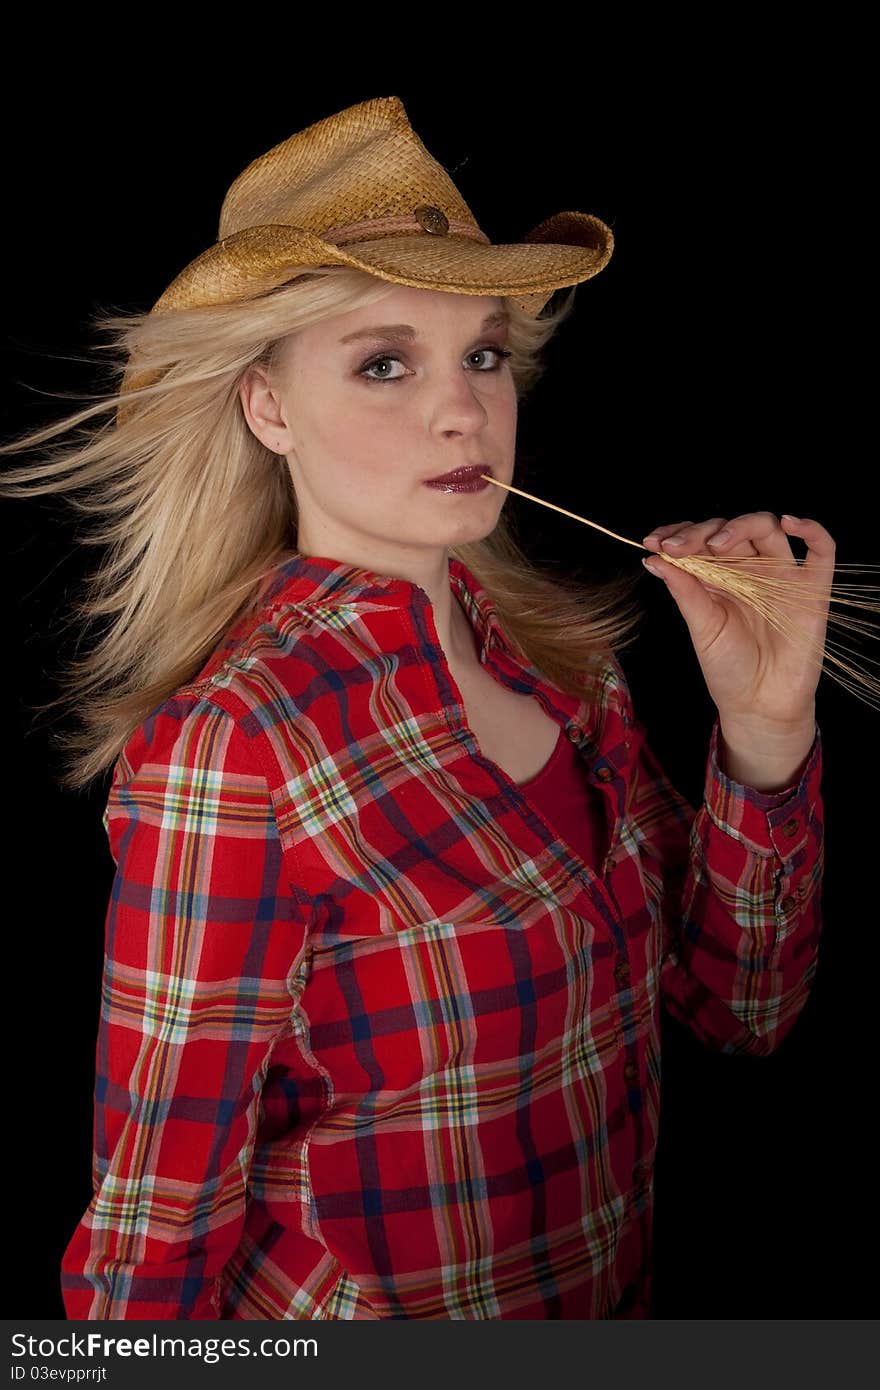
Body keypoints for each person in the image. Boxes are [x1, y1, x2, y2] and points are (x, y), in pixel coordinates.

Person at [1, 95, 831, 1320]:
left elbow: (740, 1011)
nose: (461, 409)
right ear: (267, 406)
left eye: (481, 354)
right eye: (384, 362)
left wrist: (765, 737)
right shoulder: (235, 748)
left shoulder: (564, 666)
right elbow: (149, 1242)